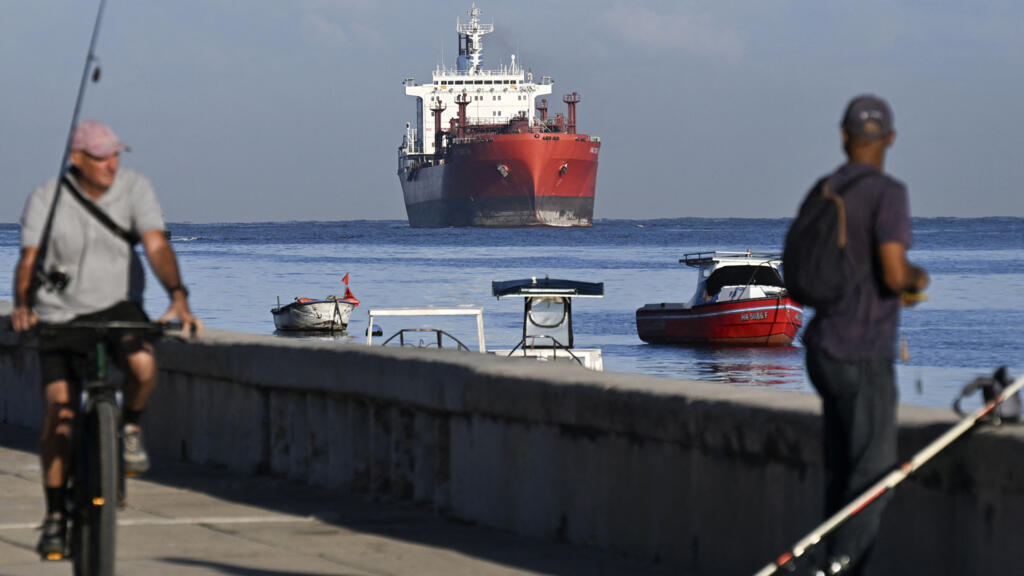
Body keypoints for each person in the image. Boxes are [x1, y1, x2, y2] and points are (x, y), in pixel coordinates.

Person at [11, 120, 203, 559]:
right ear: (77, 159)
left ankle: (130, 426)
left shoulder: (134, 190)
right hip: (60, 315)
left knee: (142, 364)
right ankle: (56, 514)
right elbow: (29, 260)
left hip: (119, 307)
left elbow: (155, 245)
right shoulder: (47, 198)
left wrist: (178, 297)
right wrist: (23, 303)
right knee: (58, 410)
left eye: (117, 154)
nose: (112, 164)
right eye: (102, 157)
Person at [801, 95, 929, 575]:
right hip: (862, 353)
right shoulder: (887, 192)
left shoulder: (825, 188)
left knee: (843, 467)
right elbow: (895, 273)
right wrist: (918, 280)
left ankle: (831, 551)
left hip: (822, 349)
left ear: (843, 136)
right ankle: (838, 565)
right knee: (874, 473)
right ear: (890, 139)